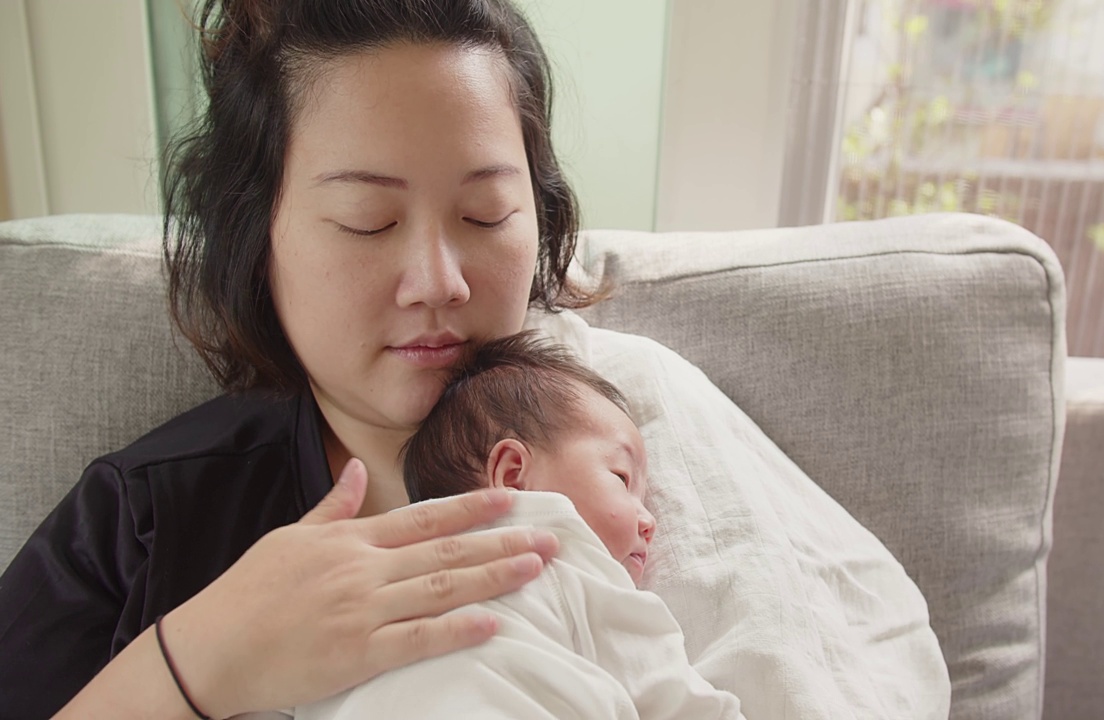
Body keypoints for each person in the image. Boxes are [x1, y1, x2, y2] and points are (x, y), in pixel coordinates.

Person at [0, 1, 599, 718]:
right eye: (367, 222)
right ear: (256, 238)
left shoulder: (631, 414)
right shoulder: (144, 520)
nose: (441, 281)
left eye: (485, 214)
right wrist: (194, 661)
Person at [262, 331, 744, 719]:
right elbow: (676, 700)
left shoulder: (375, 563)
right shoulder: (570, 555)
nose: (649, 520)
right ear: (513, 475)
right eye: (621, 478)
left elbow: (287, 689)